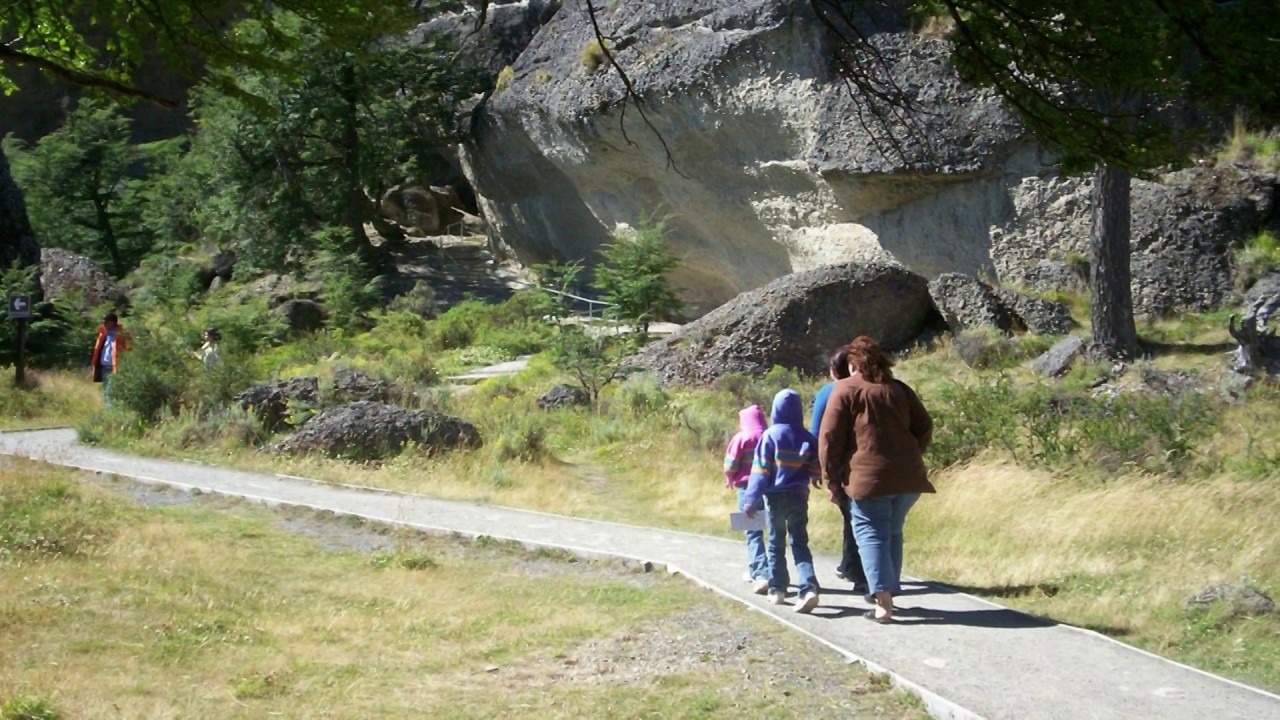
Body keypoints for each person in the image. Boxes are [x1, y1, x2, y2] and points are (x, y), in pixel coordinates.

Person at [819, 336, 933, 623]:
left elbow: (829, 439)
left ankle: (882, 603)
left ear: (854, 363)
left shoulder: (845, 389)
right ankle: (888, 594)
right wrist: (910, 454)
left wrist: (832, 481)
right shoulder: (900, 389)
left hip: (867, 479)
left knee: (871, 534)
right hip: (908, 479)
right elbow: (924, 426)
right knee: (892, 533)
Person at [742, 388, 823, 614]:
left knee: (777, 541)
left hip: (775, 497)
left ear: (776, 409)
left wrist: (750, 501)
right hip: (799, 495)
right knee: (800, 541)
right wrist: (815, 477)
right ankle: (808, 588)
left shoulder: (770, 436)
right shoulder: (807, 436)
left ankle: (777, 589)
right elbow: (815, 465)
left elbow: (760, 473)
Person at [810, 345, 868, 595]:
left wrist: (816, 467)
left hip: (841, 464)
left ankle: (857, 572)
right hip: (866, 462)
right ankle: (851, 566)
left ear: (835, 370)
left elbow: (817, 433)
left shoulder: (827, 392)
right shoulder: (870, 389)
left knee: (853, 518)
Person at [723, 404, 769, 593]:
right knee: (771, 529)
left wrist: (729, 478)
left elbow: (731, 463)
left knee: (752, 531)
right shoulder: (768, 435)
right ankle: (761, 569)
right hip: (768, 487)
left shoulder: (741, 438)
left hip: (745, 488)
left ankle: (760, 573)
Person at [91, 312, 130, 405]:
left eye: (106, 322)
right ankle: (108, 412)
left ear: (112, 322)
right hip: (104, 367)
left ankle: (110, 414)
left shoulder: (122, 335)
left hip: (115, 368)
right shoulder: (103, 334)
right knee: (106, 392)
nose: (104, 324)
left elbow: (128, 350)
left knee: (110, 392)